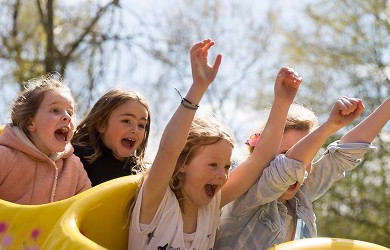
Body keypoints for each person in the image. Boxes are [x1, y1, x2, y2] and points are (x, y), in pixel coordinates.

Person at [128, 38, 303, 249]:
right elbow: (168, 151)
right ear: (183, 163)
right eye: (213, 165)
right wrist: (198, 87)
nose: (222, 175)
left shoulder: (210, 208)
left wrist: (282, 102)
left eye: (227, 167)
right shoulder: (156, 201)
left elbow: (259, 160)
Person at [214, 95, 390, 250]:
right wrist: (330, 126)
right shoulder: (249, 193)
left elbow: (343, 156)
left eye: (309, 155)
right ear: (263, 154)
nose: (301, 166)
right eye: (285, 154)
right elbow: (287, 170)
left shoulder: (302, 194)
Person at [0, 75, 92, 205]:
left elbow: (87, 211)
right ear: (30, 123)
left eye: (70, 112)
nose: (67, 117)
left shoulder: (74, 167)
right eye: (55, 110)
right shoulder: (1, 157)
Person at [71, 88, 150, 186]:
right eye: (126, 121)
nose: (135, 130)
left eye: (141, 125)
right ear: (101, 124)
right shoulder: (77, 157)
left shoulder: (139, 173)